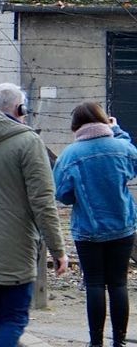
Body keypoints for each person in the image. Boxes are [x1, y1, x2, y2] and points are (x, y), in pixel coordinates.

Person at [0, 83, 67, 347]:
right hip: (14, 249)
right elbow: (43, 201)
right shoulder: (27, 141)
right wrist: (58, 249)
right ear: (20, 108)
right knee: (14, 318)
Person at [54, 102, 137, 347]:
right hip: (122, 225)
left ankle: (95, 342)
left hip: (88, 229)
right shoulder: (121, 147)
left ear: (75, 125)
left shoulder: (70, 154)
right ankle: (119, 341)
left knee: (94, 284)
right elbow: (133, 166)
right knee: (119, 283)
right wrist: (118, 132)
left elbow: (62, 194)